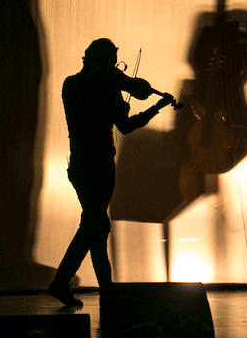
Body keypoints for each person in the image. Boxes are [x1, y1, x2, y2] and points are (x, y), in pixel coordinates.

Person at [47, 38, 174, 307]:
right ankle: (63, 281)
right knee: (95, 224)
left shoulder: (70, 84)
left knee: (96, 224)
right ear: (106, 61)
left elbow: (109, 98)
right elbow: (126, 126)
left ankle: (105, 286)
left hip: (79, 164)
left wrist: (120, 87)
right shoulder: (108, 86)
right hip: (101, 163)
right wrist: (155, 107)